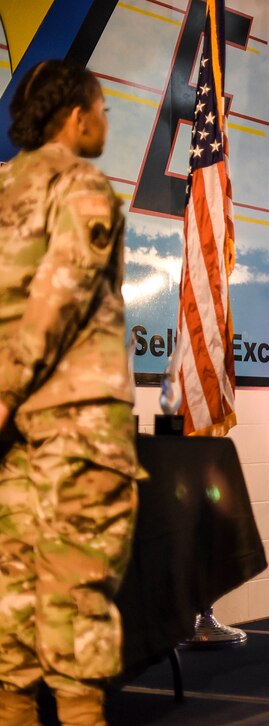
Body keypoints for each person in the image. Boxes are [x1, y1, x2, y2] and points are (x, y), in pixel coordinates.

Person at [0, 60, 142, 725]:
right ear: (77, 116)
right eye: (104, 109)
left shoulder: (1, 189)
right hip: (75, 425)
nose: (106, 122)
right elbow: (61, 295)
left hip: (13, 442)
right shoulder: (83, 183)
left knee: (11, 611)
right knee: (76, 603)